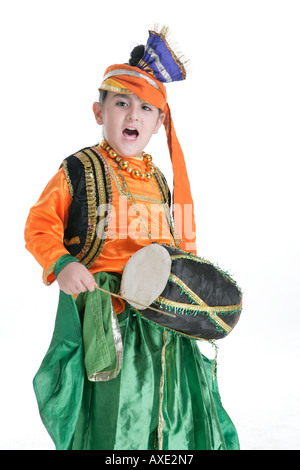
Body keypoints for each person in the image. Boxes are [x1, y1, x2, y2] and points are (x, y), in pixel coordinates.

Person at [25, 26, 240, 450]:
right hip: (112, 318)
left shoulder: (160, 180)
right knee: (118, 410)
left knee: (170, 406)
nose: (133, 116)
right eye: (121, 103)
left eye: (146, 108)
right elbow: (39, 224)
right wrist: (62, 263)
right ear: (98, 111)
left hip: (164, 318)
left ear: (159, 123)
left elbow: (174, 246)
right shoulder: (79, 169)